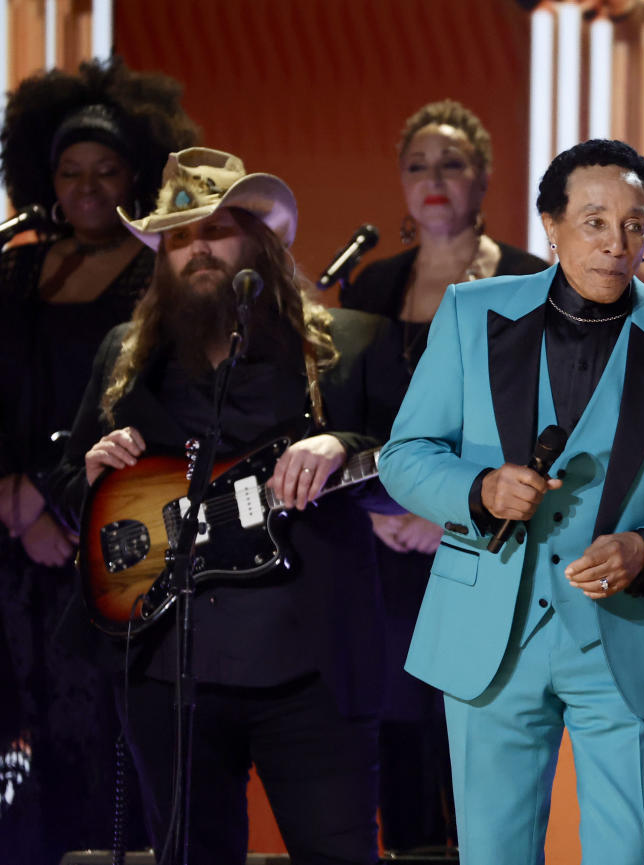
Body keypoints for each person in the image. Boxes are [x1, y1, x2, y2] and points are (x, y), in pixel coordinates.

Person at [378, 138, 644, 865]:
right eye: (593, 221)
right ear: (549, 224)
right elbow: (404, 455)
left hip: (626, 635)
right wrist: (479, 490)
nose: (617, 243)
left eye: (634, 224)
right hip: (491, 635)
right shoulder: (470, 313)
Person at [44, 147, 406, 864]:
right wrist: (86, 476)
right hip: (166, 672)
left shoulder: (352, 345)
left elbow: (417, 474)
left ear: (259, 243)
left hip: (313, 673)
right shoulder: (127, 355)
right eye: (177, 238)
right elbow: (68, 493)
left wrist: (344, 445)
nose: (196, 249)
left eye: (215, 230)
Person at [0, 57, 198, 864]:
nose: (85, 186)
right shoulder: (12, 270)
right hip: (10, 546)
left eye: (106, 170)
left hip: (113, 536)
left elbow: (155, 410)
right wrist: (10, 496)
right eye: (70, 170)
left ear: (137, 175)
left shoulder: (160, 277)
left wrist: (60, 504)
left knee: (107, 743)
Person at [340, 98, 545, 853]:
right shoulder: (367, 288)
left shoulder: (528, 280)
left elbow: (533, 423)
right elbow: (347, 419)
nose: (434, 179)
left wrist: (446, 513)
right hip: (380, 551)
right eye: (417, 165)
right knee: (395, 746)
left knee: (474, 745)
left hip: (480, 545)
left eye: (452, 164)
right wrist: (379, 512)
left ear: (485, 180)